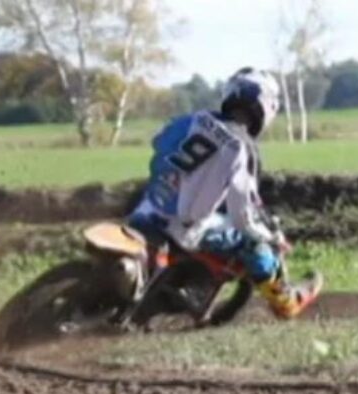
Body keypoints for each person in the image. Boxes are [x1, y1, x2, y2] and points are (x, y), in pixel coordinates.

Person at [129, 67, 321, 319]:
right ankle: (284, 301)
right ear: (266, 106)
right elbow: (243, 216)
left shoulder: (192, 119)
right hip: (185, 229)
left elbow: (159, 145)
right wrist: (270, 238)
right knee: (256, 245)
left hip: (147, 210)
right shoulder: (243, 146)